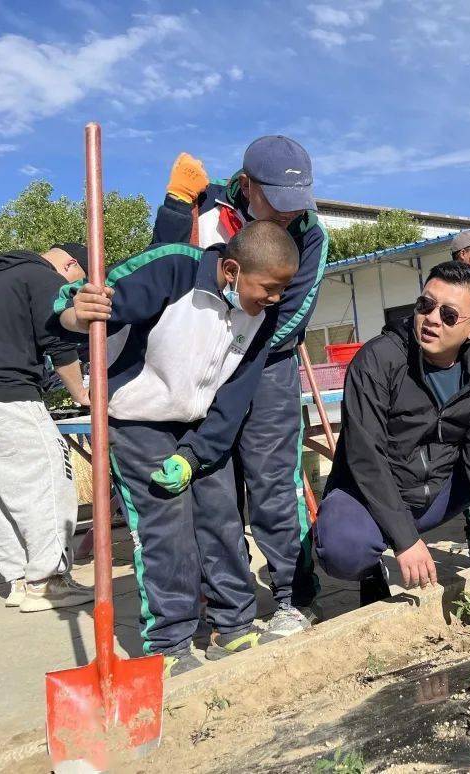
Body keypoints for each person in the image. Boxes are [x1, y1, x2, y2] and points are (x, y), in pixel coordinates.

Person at [54, 221, 300, 677]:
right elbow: (88, 305)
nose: (274, 298)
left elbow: (234, 397)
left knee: (222, 517)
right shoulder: (174, 269)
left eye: (282, 288)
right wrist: (74, 312)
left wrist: (195, 453)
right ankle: (169, 642)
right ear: (231, 269)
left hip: (202, 422)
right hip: (137, 418)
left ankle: (235, 624)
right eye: (268, 287)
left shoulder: (263, 317)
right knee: (165, 530)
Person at [150, 137, 328, 634]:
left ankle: (296, 596)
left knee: (273, 481)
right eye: (279, 203)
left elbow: (290, 317)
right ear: (247, 186)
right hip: (203, 368)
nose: (291, 215)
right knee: (213, 488)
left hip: (270, 366)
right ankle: (229, 608)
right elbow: (162, 270)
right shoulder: (207, 213)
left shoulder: (311, 234)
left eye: (299, 204)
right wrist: (173, 207)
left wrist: (234, 355)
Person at [314, 262, 470, 606]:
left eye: (448, 314)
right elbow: (365, 456)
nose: (431, 319)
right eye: (425, 305)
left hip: (435, 492)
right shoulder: (378, 361)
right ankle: (370, 569)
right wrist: (405, 539)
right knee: (341, 549)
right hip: (370, 496)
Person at [0, 244, 91, 612]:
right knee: (51, 482)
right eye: (75, 283)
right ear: (69, 264)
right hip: (11, 396)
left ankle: (20, 582)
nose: (71, 293)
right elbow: (59, 341)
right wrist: (81, 393)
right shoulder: (42, 278)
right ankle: (49, 581)